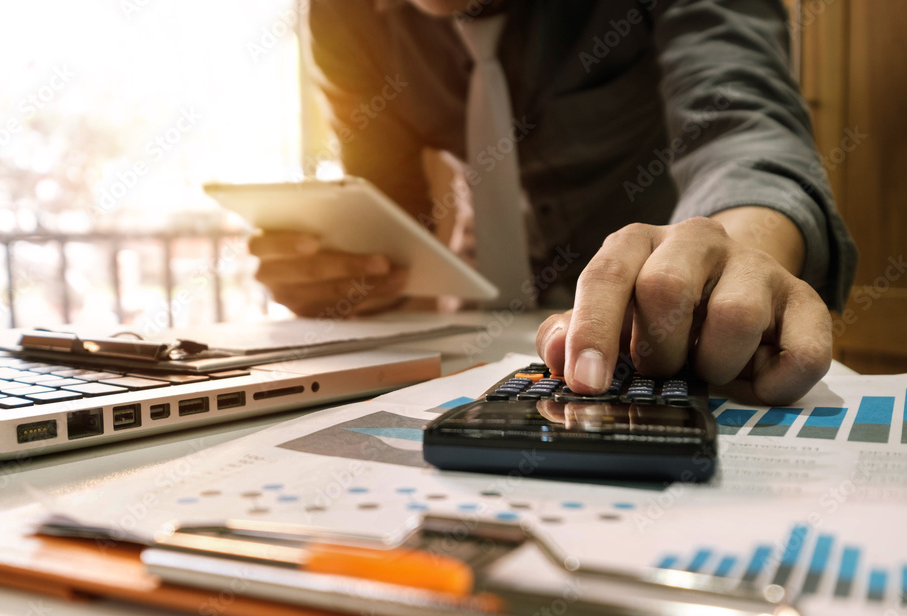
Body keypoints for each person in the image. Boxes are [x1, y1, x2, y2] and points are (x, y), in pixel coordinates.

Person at [250, 0, 857, 405]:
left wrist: (734, 258)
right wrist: (348, 273)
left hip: (658, 327)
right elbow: (389, 214)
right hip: (472, 331)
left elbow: (744, 125)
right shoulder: (341, 14)